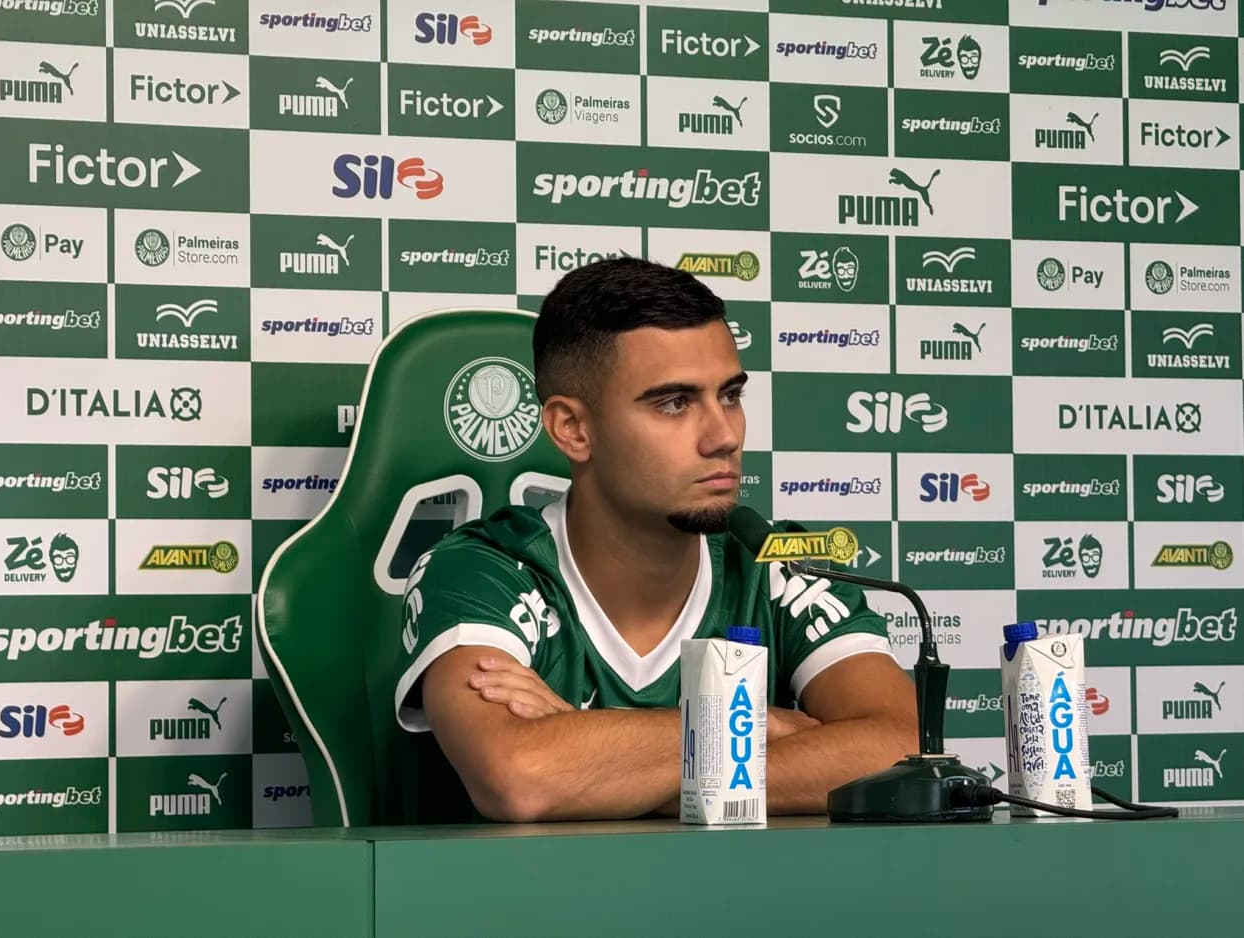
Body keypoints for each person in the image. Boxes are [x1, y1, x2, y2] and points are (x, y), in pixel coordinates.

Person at [391, 257, 916, 822]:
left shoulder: (773, 565)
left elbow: (902, 751)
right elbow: (520, 780)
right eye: (674, 403)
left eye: (731, 396)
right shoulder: (482, 568)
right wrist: (768, 725)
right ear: (573, 428)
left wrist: (590, 753)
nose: (723, 436)